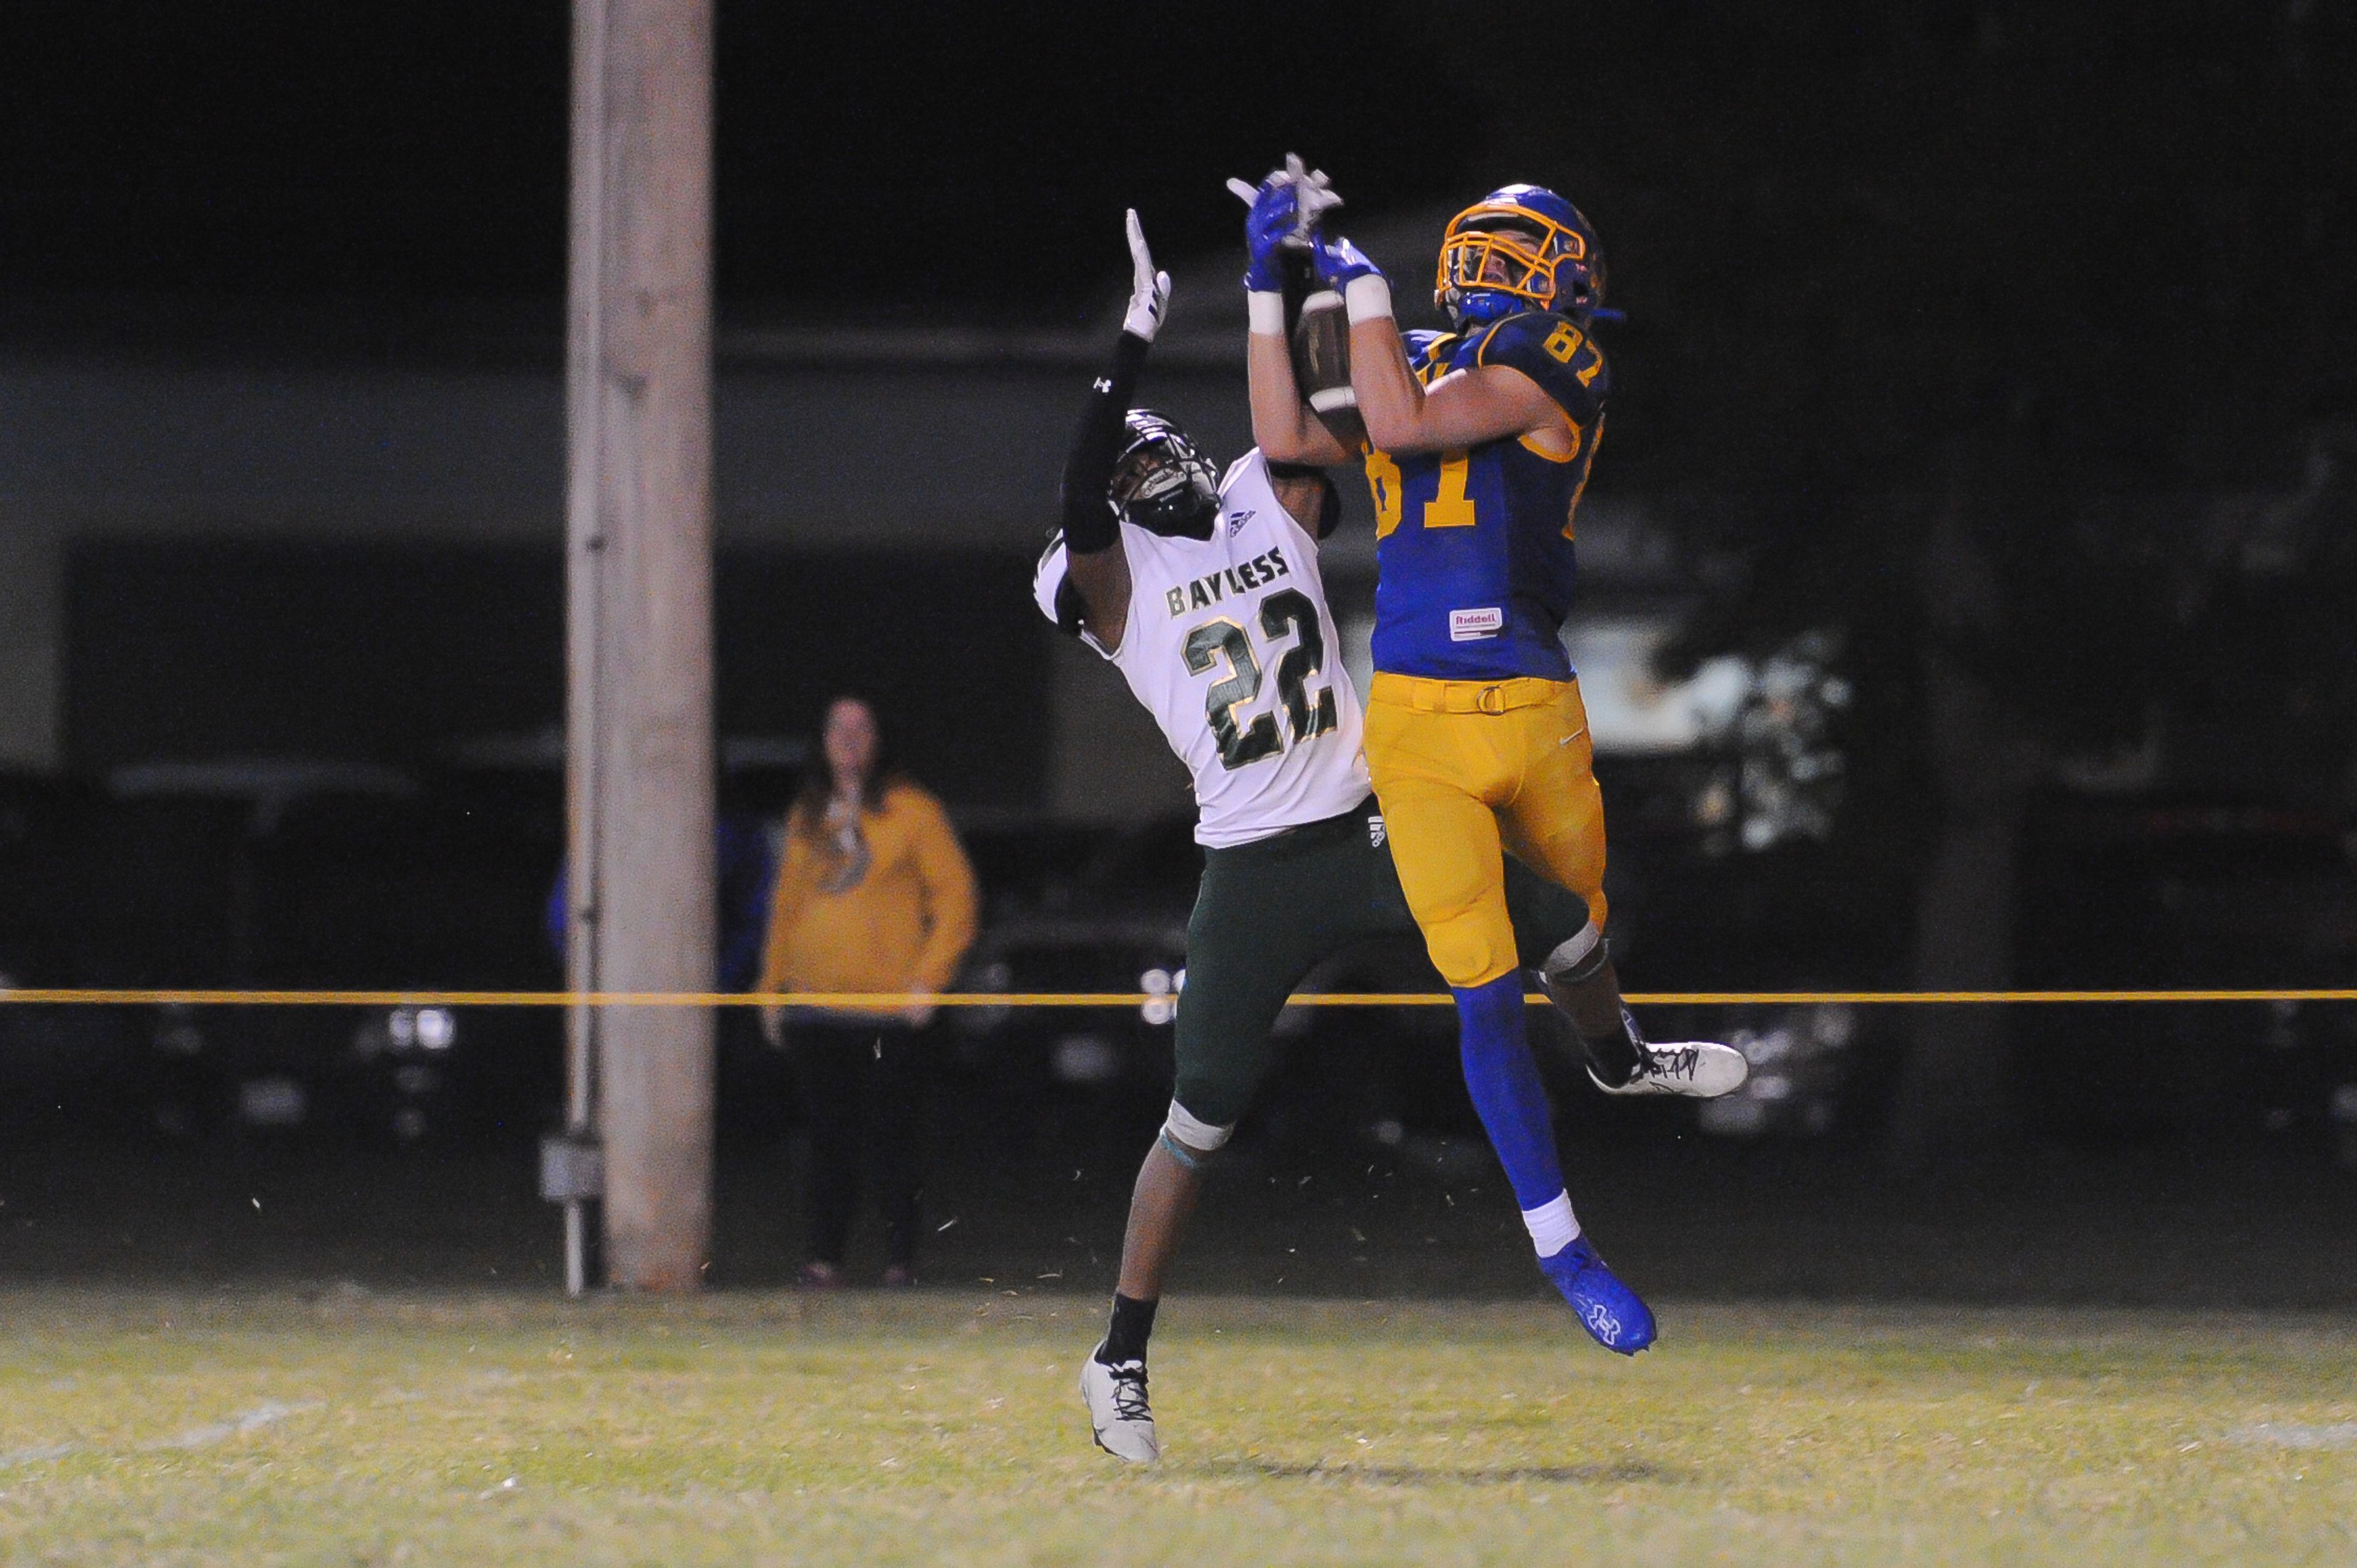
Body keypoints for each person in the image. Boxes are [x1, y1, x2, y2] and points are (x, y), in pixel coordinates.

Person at [1047, 212, 1671, 1466]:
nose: (1163, 463)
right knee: (1199, 1122)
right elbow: (1079, 494)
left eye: (1168, 445)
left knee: (1566, 924)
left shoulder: (1252, 503)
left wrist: (1283, 278)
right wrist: (1129, 343)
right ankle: (1118, 1351)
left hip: (1374, 818)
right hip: (1254, 865)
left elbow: (1316, 432)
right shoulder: (1098, 576)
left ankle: (1621, 1054)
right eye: (1138, 457)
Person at [1243, 170, 1749, 1357]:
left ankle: (1618, 1057)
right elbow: (1283, 439)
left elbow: (1410, 422)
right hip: (1417, 719)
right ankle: (1564, 1248)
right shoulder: (1409, 354)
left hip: (1534, 703)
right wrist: (1272, 286)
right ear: (1536, 259)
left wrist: (1355, 280)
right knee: (1484, 987)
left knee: (1574, 936)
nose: (1578, 287)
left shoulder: (1559, 358)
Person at [757, 695, 978, 1288]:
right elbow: (785, 910)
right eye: (837, 727)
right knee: (827, 1140)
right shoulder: (808, 817)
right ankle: (823, 1258)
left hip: (885, 1013)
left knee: (891, 1139)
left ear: (880, 738)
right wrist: (771, 991)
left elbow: (956, 897)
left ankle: (901, 1260)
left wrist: (928, 980)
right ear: (822, 740)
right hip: (816, 1010)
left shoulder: (912, 812)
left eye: (862, 727)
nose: (849, 739)